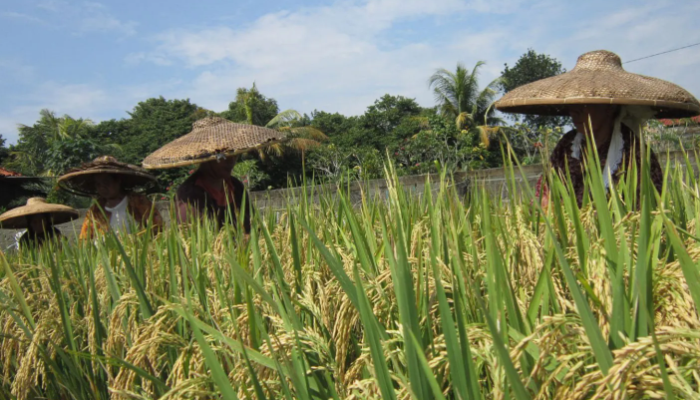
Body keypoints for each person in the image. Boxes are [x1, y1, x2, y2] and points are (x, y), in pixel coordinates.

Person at [495, 50, 700, 206]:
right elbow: (546, 189)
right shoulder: (567, 144)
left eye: (584, 105)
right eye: (573, 106)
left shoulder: (633, 151)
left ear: (609, 108)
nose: (575, 113)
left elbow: (648, 205)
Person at [142, 116, 285, 232]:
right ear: (207, 159)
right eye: (223, 157)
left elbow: (252, 225)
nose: (231, 161)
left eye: (234, 154)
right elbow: (197, 243)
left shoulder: (235, 186)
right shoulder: (190, 196)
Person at [57, 156, 163, 239]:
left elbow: (157, 229)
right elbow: (85, 239)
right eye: (98, 184)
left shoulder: (138, 202)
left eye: (106, 182)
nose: (102, 188)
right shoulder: (96, 210)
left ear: (118, 181)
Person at [0, 198, 79, 250]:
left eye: (42, 221)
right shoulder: (25, 240)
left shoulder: (57, 236)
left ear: (47, 221)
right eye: (35, 222)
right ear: (30, 224)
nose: (38, 225)